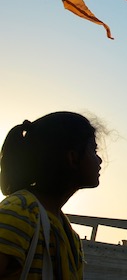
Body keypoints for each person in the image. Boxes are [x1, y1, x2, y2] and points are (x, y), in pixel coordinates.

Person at [0, 111, 103, 279]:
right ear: (73, 158)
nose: (99, 160)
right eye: (93, 150)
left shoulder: (68, 234)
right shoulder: (20, 213)